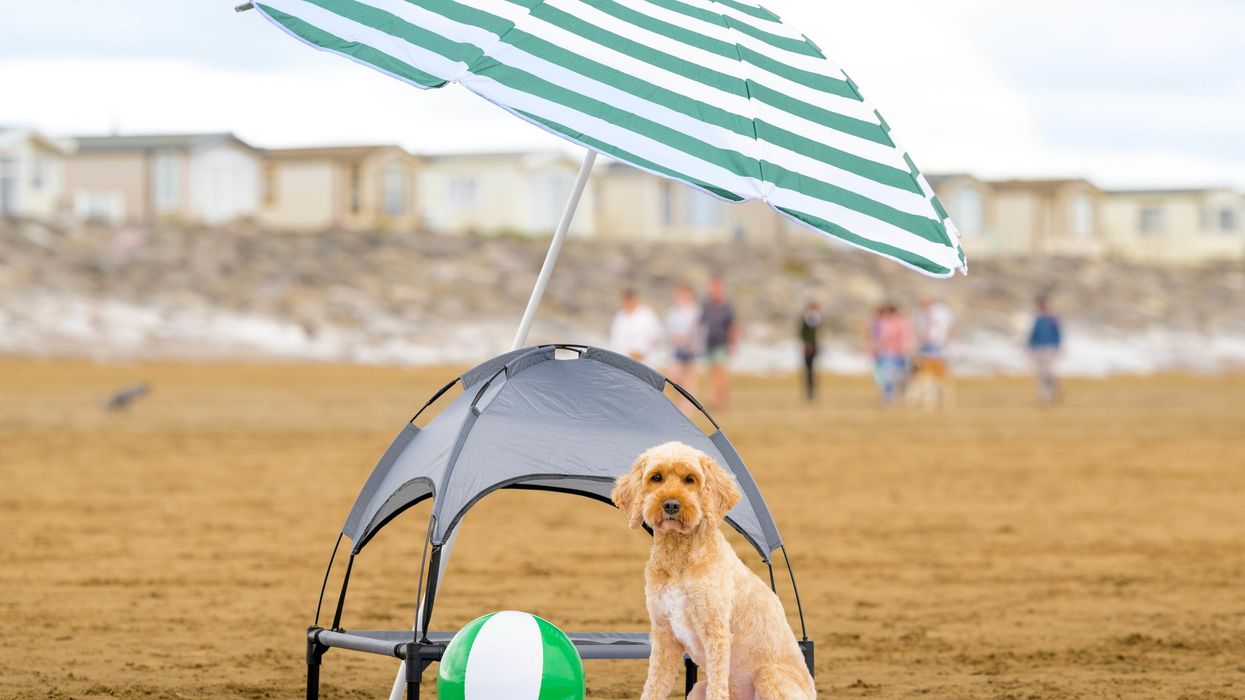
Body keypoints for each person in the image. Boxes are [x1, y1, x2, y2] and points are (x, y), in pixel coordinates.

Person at [910, 295, 955, 408]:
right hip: (924, 344)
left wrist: (946, 340)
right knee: (923, 376)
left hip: (938, 344)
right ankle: (927, 400)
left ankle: (941, 398)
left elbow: (949, 326)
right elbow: (918, 328)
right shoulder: (920, 314)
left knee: (939, 375)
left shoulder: (942, 312)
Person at [700, 277, 737, 408]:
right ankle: (715, 397)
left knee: (720, 371)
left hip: (722, 343)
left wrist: (732, 344)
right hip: (709, 343)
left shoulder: (726, 307)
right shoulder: (706, 306)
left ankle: (720, 398)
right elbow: (700, 323)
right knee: (712, 371)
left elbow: (732, 326)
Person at [870, 304, 914, 405]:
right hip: (886, 352)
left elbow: (905, 337)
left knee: (899, 376)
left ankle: (895, 394)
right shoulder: (881, 322)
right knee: (886, 376)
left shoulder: (901, 322)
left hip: (898, 352)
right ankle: (888, 396)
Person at [665, 282, 701, 397]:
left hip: (690, 348)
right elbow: (667, 327)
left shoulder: (696, 311)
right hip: (677, 348)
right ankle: (682, 400)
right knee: (673, 376)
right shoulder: (674, 311)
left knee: (689, 379)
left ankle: (687, 407)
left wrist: (689, 339)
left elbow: (699, 330)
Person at [609, 289, 663, 365]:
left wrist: (644, 353)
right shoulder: (620, 316)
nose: (628, 304)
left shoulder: (646, 314)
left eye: (629, 300)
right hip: (625, 360)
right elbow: (615, 339)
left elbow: (656, 336)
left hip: (646, 360)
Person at [1028, 296, 1063, 404]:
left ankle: (1049, 392)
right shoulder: (1038, 319)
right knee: (1041, 372)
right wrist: (1030, 345)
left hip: (1050, 347)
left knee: (1047, 371)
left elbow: (1057, 333)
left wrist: (1057, 346)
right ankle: (1045, 394)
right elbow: (1033, 333)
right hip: (1038, 347)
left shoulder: (1053, 318)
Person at [798, 301, 823, 401]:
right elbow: (802, 333)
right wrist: (806, 344)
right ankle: (809, 392)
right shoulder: (806, 319)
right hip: (808, 348)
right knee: (809, 370)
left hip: (814, 347)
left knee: (812, 370)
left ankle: (812, 392)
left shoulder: (817, 319)